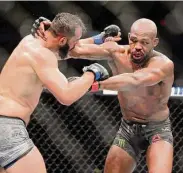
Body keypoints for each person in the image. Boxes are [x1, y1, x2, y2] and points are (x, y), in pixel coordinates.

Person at [34, 17, 174, 173]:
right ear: (129, 38)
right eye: (134, 41)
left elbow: (135, 80)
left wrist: (93, 84)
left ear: (155, 42)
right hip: (128, 128)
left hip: (157, 129)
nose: (138, 47)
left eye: (145, 42)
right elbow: (71, 51)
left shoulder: (164, 64)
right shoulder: (117, 52)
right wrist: (58, 34)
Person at [0, 12, 110, 173]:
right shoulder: (44, 56)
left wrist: (98, 40)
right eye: (74, 42)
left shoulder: (29, 42)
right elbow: (66, 96)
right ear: (62, 40)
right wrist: (92, 73)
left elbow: (67, 49)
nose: (76, 46)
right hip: (8, 128)